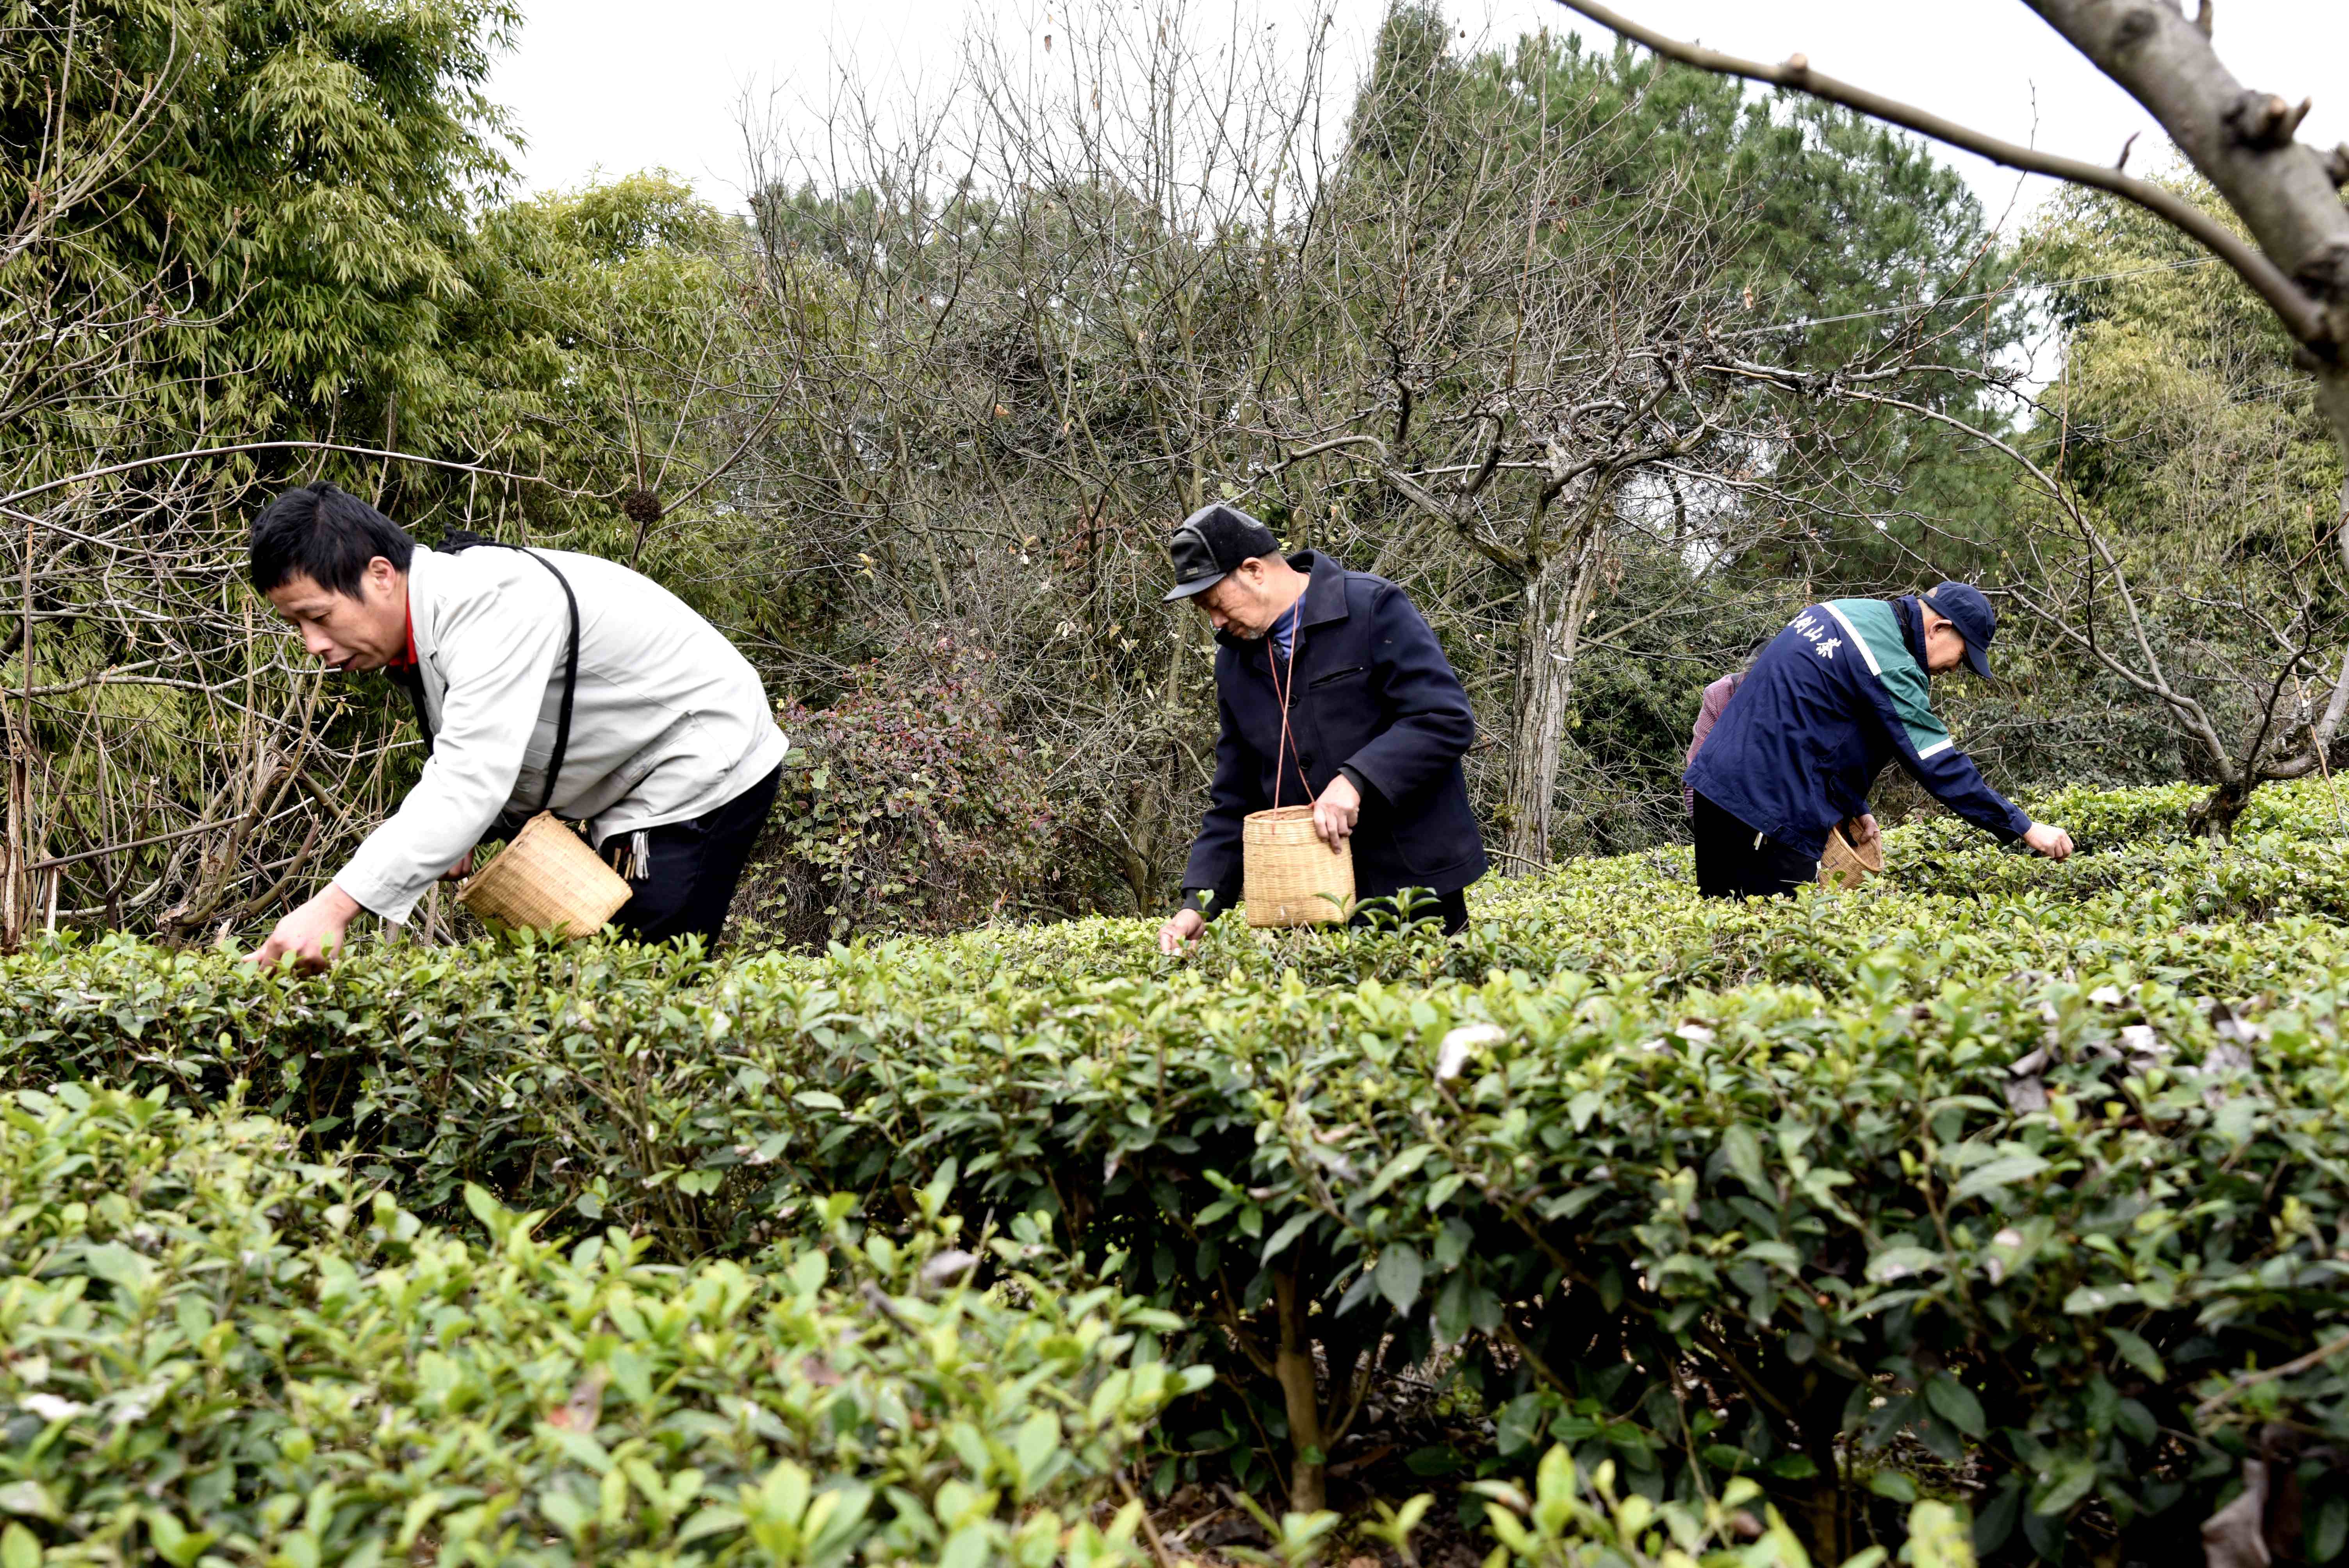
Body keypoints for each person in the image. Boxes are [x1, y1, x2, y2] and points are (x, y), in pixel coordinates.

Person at [242, 483, 788, 968]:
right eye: (296, 625)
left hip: (701, 756)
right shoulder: (428, 614)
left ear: (381, 574)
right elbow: (472, 747)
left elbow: (468, 781)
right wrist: (469, 825)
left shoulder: (488, 606)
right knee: (590, 973)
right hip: (628, 774)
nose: (313, 645)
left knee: (643, 981)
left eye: (319, 616)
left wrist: (331, 909)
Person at [1154, 503, 1486, 952]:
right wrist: (1200, 902)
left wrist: (1356, 779)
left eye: (1215, 602)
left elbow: (1442, 718)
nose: (1214, 620)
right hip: (1309, 903)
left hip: (1414, 887)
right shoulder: (1233, 660)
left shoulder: (1372, 606)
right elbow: (1235, 794)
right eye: (1203, 609)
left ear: (1254, 570)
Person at [1682, 582, 2073, 899]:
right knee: (1777, 948)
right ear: (1940, 629)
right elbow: (1937, 763)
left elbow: (1814, 724)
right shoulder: (1889, 661)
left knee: (1724, 935)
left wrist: (1853, 805)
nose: (1952, 670)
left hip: (1716, 792)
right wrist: (2023, 827)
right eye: (1960, 658)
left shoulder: (1842, 611)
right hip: (1765, 812)